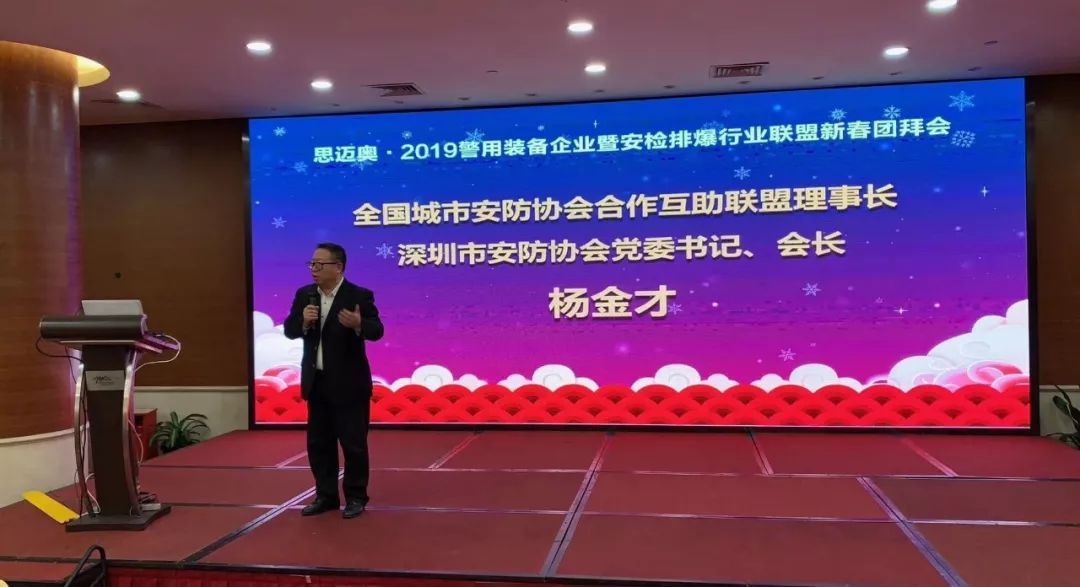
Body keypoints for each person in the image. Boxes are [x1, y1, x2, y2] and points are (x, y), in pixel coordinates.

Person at [284, 242, 384, 519]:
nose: (313, 269)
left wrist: (358, 324)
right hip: (317, 382)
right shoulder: (305, 294)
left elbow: (377, 331)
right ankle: (326, 496)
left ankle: (355, 497)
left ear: (338, 267)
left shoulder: (358, 295)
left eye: (320, 264)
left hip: (350, 385)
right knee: (319, 444)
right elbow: (290, 330)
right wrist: (303, 322)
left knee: (353, 444)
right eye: (311, 264)